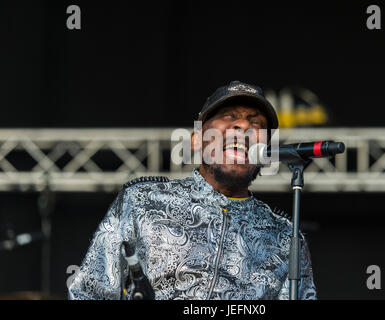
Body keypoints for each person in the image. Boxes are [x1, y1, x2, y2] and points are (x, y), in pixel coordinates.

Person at [68, 81, 317, 300]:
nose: (243, 126)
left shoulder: (285, 237)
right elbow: (89, 292)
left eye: (255, 123)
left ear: (266, 152)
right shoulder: (142, 200)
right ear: (197, 139)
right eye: (229, 117)